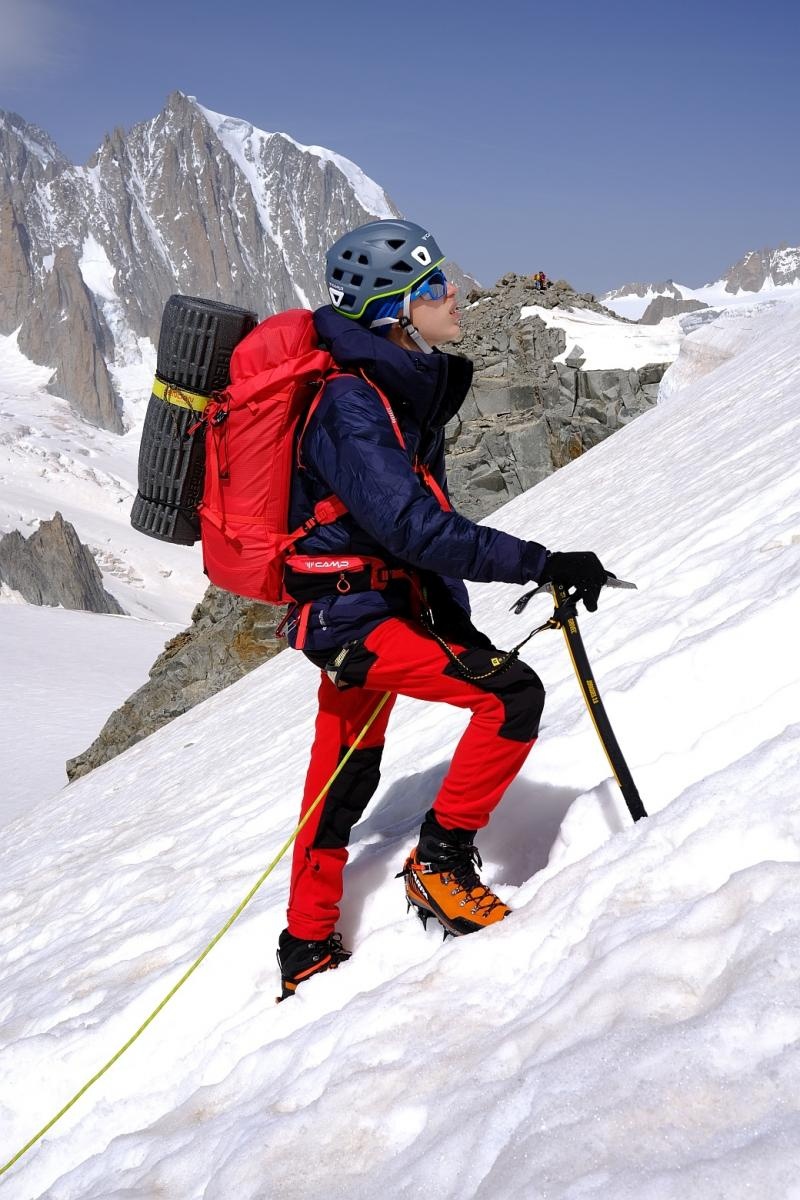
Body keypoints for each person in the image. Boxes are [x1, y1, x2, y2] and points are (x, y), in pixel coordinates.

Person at [276, 219, 607, 998]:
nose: (452, 292)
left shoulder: (385, 390)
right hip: (355, 618)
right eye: (432, 285)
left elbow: (407, 528)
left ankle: (307, 942)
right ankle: (440, 864)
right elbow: (417, 527)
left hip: (362, 608)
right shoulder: (352, 408)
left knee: (340, 777)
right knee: (509, 696)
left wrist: (455, 619)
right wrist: (541, 561)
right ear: (393, 308)